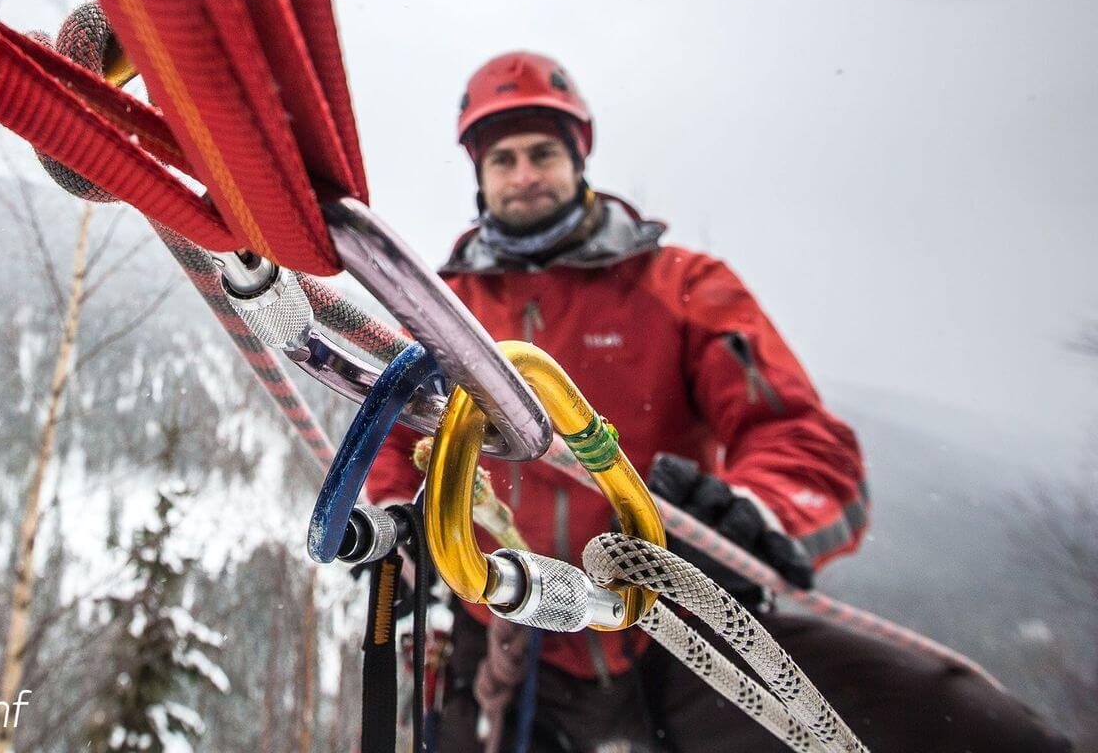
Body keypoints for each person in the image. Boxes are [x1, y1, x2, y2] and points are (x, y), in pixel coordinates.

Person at [365, 51, 1070, 752]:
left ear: (578, 160)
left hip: (674, 627)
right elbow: (397, 441)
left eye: (542, 153)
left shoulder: (682, 288)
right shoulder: (443, 312)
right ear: (479, 177)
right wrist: (406, 525)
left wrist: (752, 517)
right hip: (509, 637)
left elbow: (804, 443)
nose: (524, 176)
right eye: (504, 159)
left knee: (958, 723)